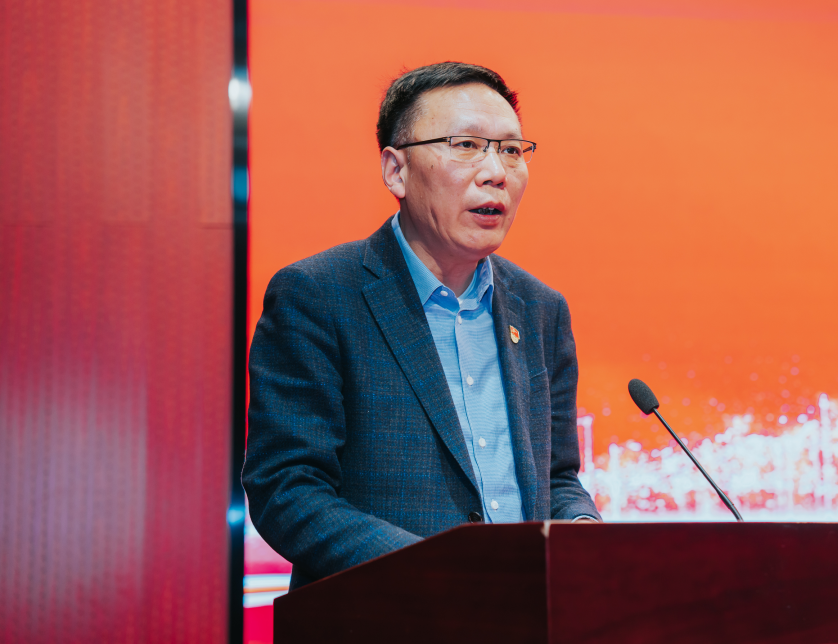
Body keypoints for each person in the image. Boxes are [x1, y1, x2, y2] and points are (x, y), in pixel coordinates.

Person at [243, 62, 600, 590]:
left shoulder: (541, 309)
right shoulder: (318, 296)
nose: (496, 172)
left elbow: (556, 477)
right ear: (396, 171)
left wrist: (582, 531)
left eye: (511, 150)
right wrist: (438, 576)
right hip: (389, 614)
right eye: (466, 145)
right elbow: (287, 489)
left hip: (524, 615)